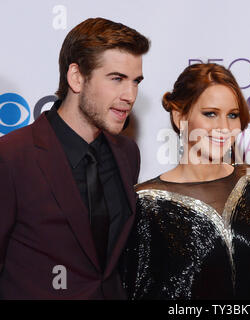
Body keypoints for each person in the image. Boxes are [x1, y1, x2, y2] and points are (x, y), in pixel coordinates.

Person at [0, 17, 150, 299]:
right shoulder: (11, 157)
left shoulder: (127, 154)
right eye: (117, 79)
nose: (130, 95)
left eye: (135, 82)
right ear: (77, 77)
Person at [120, 63, 250, 299]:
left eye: (232, 115)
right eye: (210, 113)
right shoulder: (145, 202)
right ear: (180, 115)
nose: (224, 127)